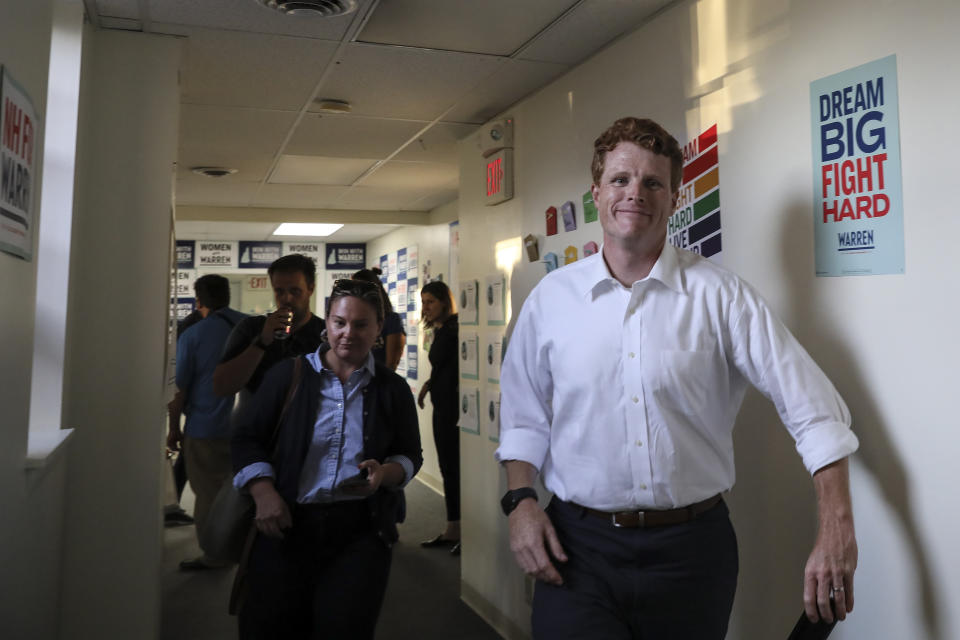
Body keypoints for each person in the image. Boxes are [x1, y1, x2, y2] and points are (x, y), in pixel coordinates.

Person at [495, 117, 859, 639]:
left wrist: (836, 528)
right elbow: (523, 416)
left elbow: (815, 412)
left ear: (673, 197)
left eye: (652, 182)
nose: (634, 193)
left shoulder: (721, 296)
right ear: (597, 192)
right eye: (620, 179)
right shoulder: (551, 301)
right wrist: (520, 503)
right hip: (578, 550)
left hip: (692, 555)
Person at [231, 278, 422, 639]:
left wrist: (385, 474)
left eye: (361, 324)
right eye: (339, 322)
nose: (348, 333)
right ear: (327, 323)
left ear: (379, 328)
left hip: (360, 534)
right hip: (285, 528)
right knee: (273, 627)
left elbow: (410, 454)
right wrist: (263, 492)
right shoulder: (288, 376)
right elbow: (246, 438)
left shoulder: (391, 389)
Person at [168, 274, 247, 570]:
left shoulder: (193, 335)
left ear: (199, 299)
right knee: (240, 491)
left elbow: (179, 389)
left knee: (209, 496)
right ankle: (241, 546)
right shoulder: (251, 327)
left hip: (206, 429)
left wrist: (174, 428)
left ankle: (215, 555)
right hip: (246, 428)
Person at [214, 254, 324, 406]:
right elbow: (221, 387)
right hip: (257, 427)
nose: (287, 299)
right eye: (279, 291)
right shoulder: (251, 328)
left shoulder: (326, 334)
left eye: (295, 291)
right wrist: (262, 341)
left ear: (310, 289)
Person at [416, 281, 462, 555]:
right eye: (423, 302)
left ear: (445, 301)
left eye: (431, 301)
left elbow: (458, 369)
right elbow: (444, 369)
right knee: (447, 468)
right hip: (442, 408)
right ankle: (453, 527)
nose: (426, 307)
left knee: (455, 470)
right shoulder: (443, 330)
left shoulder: (456, 329)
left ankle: (462, 529)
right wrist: (429, 384)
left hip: (455, 412)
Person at [352, 267, 406, 370]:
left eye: (359, 288)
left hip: (379, 382)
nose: (355, 293)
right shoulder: (354, 320)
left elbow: (391, 365)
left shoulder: (391, 320)